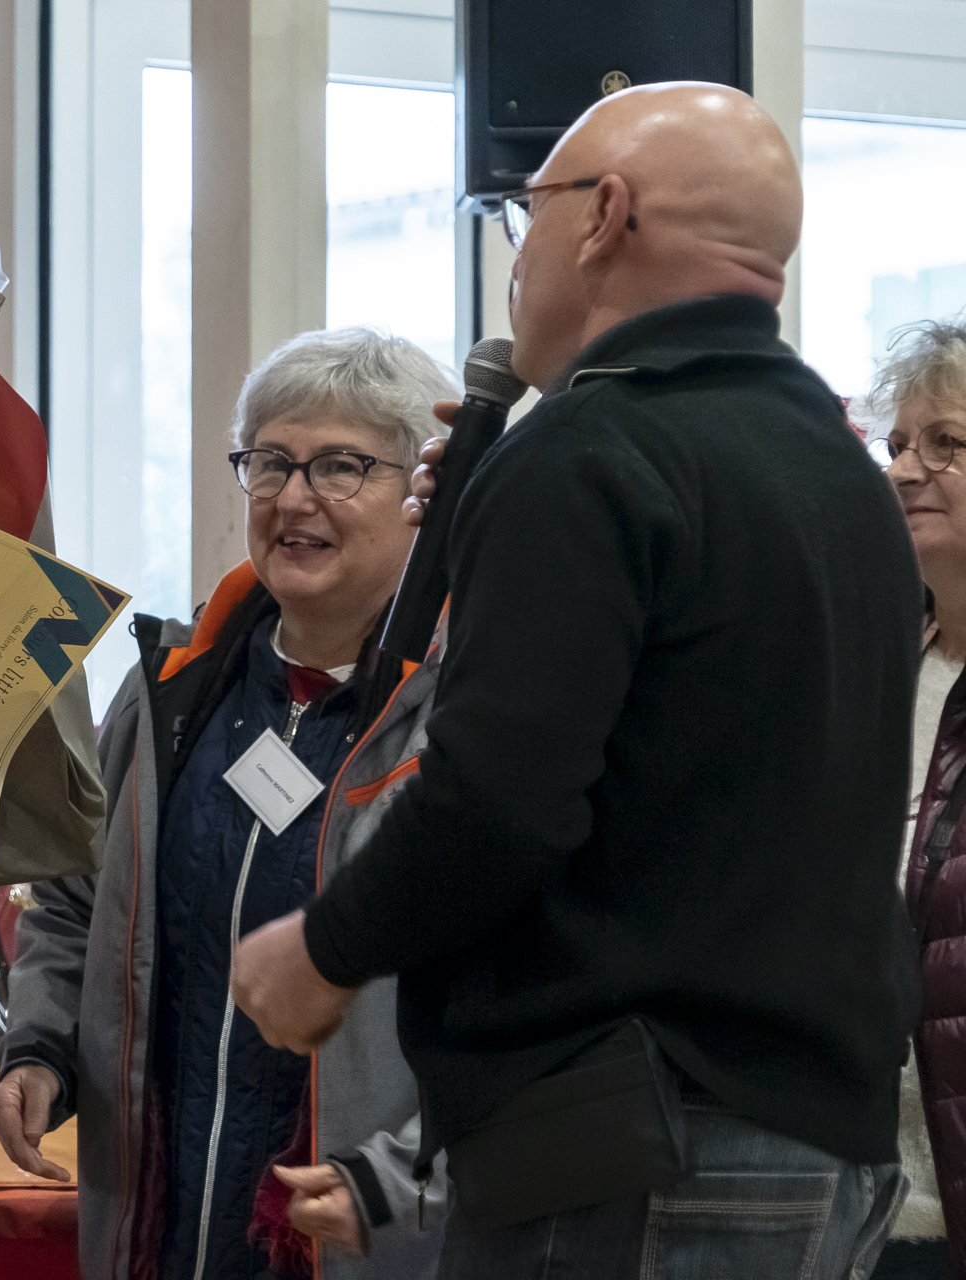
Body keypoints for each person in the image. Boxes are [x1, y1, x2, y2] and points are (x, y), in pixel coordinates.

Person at [231, 82, 922, 1278]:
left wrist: (323, 949)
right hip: (820, 1138)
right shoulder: (841, 467)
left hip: (628, 1142)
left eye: (523, 214)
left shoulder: (591, 450)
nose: (518, 253)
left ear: (602, 216)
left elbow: (499, 797)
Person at [0, 329, 456, 1279]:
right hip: (159, 1239)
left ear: (422, 497)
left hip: (371, 1238)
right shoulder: (171, 692)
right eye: (271, 462)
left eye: (342, 466)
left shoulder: (470, 722)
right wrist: (38, 1053)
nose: (293, 498)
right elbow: (77, 899)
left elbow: (526, 994)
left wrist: (411, 1177)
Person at [876, 319, 966, 1279]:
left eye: (947, 443)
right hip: (866, 1206)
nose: (906, 469)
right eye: (898, 443)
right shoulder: (869, 669)